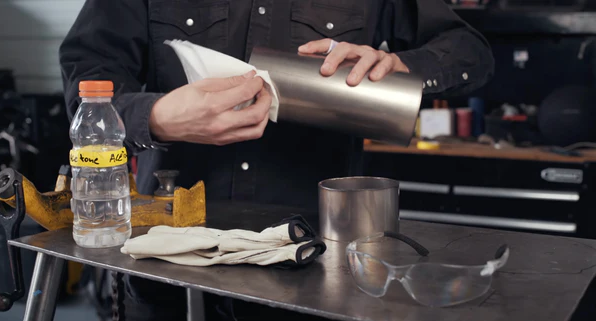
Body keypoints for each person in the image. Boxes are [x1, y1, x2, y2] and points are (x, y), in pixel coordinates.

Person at [59, 0, 494, 320]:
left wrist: (399, 64)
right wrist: (155, 117)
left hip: (315, 266)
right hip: (168, 255)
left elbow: (471, 53)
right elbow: (87, 76)